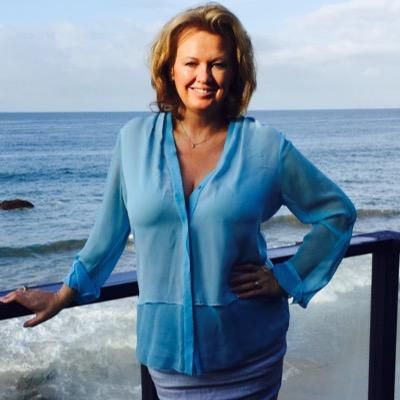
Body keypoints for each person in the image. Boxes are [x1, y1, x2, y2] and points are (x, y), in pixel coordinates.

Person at [0, 3, 356, 399]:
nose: (203, 76)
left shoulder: (265, 146)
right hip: (168, 359)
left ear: (235, 71)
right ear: (170, 69)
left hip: (251, 352)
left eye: (217, 64)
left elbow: (337, 214)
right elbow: (109, 234)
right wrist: (64, 294)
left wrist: (286, 278)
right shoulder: (133, 141)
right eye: (191, 63)